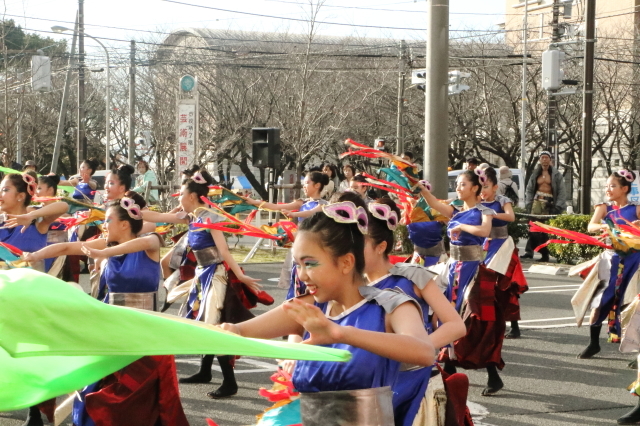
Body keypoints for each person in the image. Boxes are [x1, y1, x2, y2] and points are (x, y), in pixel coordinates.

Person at [220, 201, 436, 424]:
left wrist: (341, 333)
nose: (302, 275)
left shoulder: (391, 305)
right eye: (298, 265)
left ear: (345, 262)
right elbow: (238, 332)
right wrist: (227, 330)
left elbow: (424, 352)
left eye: (310, 264)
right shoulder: (310, 307)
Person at [24, 191, 189, 426]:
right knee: (102, 383)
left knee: (141, 390)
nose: (103, 224)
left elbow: (139, 243)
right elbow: (66, 248)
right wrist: (33, 255)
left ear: (124, 223)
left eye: (107, 220)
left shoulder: (151, 242)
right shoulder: (106, 244)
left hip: (144, 328)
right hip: (112, 324)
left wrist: (104, 252)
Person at [142, 167, 261, 399]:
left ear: (194, 196)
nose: (179, 197)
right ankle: (205, 370)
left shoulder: (210, 217)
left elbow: (224, 251)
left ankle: (230, 381)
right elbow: (156, 217)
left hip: (215, 274)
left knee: (212, 323)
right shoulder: (191, 216)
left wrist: (241, 274)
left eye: (182, 193)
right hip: (201, 275)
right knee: (200, 320)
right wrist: (132, 211)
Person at [362, 195, 465, 426]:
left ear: (381, 247)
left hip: (417, 383)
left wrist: (417, 348)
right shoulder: (351, 286)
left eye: (359, 245)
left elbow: (456, 325)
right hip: (373, 385)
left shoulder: (412, 276)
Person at [419, 170, 505, 396]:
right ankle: (448, 369)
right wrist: (421, 189)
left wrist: (462, 227)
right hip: (452, 270)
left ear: (475, 188)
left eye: (462, 184)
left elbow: (485, 231)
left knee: (475, 322)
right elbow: (434, 203)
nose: (458, 187)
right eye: (457, 184)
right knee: (445, 316)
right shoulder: (456, 211)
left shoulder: (484, 211)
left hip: (473, 272)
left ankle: (493, 375)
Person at [572, 169, 640, 361]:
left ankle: (636, 352)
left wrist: (636, 227)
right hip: (610, 260)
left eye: (613, 186)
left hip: (633, 262)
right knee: (599, 300)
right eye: (607, 185)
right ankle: (594, 343)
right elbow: (591, 226)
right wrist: (606, 226)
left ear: (625, 189)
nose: (608, 189)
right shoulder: (604, 208)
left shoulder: (636, 209)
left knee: (631, 304)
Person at [480, 167, 528, 339]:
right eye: (480, 187)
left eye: (486, 186)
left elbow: (511, 217)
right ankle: (489, 323)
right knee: (485, 287)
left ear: (495, 186)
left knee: (506, 287)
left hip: (503, 247)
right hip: (485, 247)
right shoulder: (477, 202)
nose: (482, 190)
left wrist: (492, 214)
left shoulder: (502, 200)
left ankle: (514, 325)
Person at [521, 151, 567, 262]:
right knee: (533, 227)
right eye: (542, 157)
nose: (545, 159)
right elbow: (529, 189)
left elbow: (561, 191)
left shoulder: (556, 175)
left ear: (550, 160)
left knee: (546, 229)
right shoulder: (535, 174)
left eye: (547, 157)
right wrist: (529, 203)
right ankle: (529, 251)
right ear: (540, 160)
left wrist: (558, 206)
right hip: (536, 202)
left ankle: (545, 254)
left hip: (550, 203)